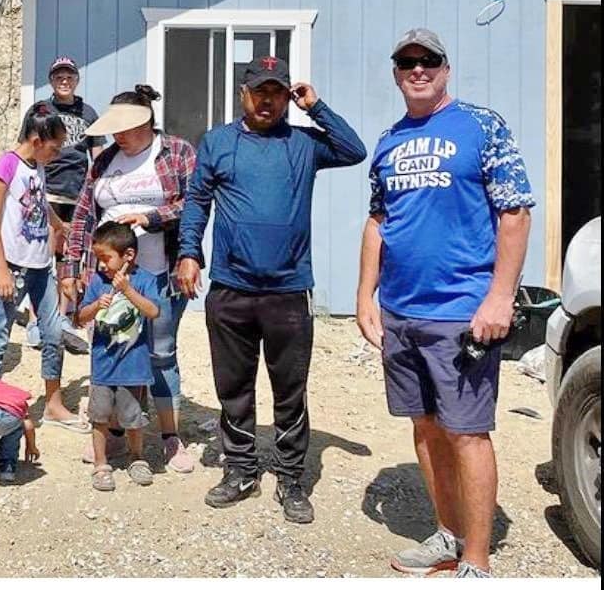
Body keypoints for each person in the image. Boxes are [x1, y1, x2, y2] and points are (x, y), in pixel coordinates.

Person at [358, 29, 534, 578]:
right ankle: (448, 535)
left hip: (463, 311)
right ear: (395, 73)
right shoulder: (388, 141)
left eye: (427, 61)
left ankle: (476, 561)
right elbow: (378, 221)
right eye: (407, 62)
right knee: (426, 427)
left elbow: (515, 212)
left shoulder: (482, 126)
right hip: (402, 313)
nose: (417, 69)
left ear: (445, 68)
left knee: (467, 432)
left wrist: (499, 297)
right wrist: (366, 296)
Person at [176, 56, 366, 523]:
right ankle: (240, 469)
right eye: (260, 90)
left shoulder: (304, 144)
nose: (268, 99)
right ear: (243, 93)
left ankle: (291, 478)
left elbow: (353, 150)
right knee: (233, 387)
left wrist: (316, 107)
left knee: (289, 389)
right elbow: (198, 200)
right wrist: (189, 252)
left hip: (287, 291)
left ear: (288, 97)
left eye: (278, 92)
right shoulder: (218, 142)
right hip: (231, 289)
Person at [62, 85, 198, 472]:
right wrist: (72, 270)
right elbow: (84, 217)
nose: (117, 136)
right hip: (105, 273)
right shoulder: (105, 160)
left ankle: (170, 436)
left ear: (146, 123)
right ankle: (119, 432)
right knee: (114, 346)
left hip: (159, 270)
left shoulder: (177, 152)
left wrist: (151, 218)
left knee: (160, 352)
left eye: (125, 128)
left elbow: (196, 201)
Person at [0, 102, 86, 430]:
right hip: (13, 267)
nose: (58, 153)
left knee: (54, 332)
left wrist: (58, 225)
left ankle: (53, 404)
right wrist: (0, 268)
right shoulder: (7, 165)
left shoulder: (36, 166)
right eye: (55, 147)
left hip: (40, 267)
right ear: (37, 139)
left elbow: (38, 202)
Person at [23, 56, 103, 351]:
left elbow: (98, 155)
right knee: (42, 254)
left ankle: (64, 316)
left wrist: (99, 188)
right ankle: (35, 319)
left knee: (70, 256)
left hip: (78, 194)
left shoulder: (89, 112)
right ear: (52, 80)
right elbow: (27, 147)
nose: (64, 80)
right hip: (48, 192)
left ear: (76, 79)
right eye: (58, 76)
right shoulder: (40, 110)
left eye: (69, 75)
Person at [76, 222, 161, 492]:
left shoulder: (145, 279)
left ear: (128, 256)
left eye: (105, 258)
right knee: (99, 416)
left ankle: (136, 456)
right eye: (98, 259)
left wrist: (128, 290)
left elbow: (153, 312)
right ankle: (101, 464)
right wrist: (93, 307)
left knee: (133, 417)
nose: (101, 265)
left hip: (133, 367)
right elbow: (79, 317)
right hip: (103, 367)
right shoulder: (97, 282)